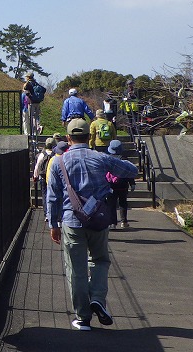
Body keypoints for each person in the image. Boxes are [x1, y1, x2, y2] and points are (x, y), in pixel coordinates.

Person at [46, 119, 138, 331]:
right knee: (100, 260)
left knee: (75, 269)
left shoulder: (59, 162)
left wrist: (53, 224)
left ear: (68, 138)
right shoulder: (100, 157)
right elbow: (131, 171)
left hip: (71, 221)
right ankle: (97, 297)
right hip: (98, 219)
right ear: (89, 137)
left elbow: (52, 197)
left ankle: (83, 317)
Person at [106, 139, 136, 228]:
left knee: (111, 204)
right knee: (123, 203)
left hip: (111, 185)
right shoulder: (124, 160)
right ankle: (124, 221)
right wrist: (132, 183)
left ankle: (112, 223)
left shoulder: (108, 159)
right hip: (123, 185)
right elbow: (129, 173)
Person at [32, 137, 56, 206]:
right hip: (52, 177)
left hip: (43, 177)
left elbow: (37, 166)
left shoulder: (42, 154)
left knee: (44, 194)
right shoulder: (55, 154)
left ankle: (46, 210)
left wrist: (35, 176)